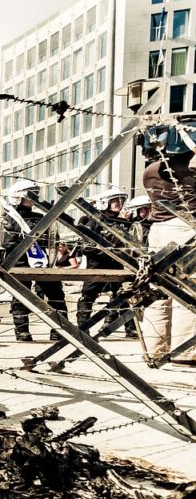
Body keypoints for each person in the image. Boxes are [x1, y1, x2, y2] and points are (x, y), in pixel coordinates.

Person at [141, 126, 196, 365]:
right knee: (188, 291)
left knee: (158, 291)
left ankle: (155, 349)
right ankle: (186, 352)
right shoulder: (188, 171)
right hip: (186, 228)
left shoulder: (150, 171)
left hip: (159, 230)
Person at [0, 179, 68, 341]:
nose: (34, 197)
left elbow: (53, 238)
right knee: (21, 295)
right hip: (20, 262)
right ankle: (22, 329)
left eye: (36, 194)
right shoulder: (11, 218)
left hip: (43, 262)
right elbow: (7, 243)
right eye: (30, 194)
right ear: (18, 197)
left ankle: (59, 329)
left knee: (56, 294)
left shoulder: (41, 217)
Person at [76, 188, 135, 338]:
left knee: (123, 295)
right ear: (104, 202)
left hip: (118, 264)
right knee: (88, 296)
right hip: (97, 264)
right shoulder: (93, 222)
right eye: (115, 200)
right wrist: (108, 251)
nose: (119, 204)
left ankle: (129, 327)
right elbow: (86, 248)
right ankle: (83, 327)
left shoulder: (123, 223)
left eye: (121, 200)